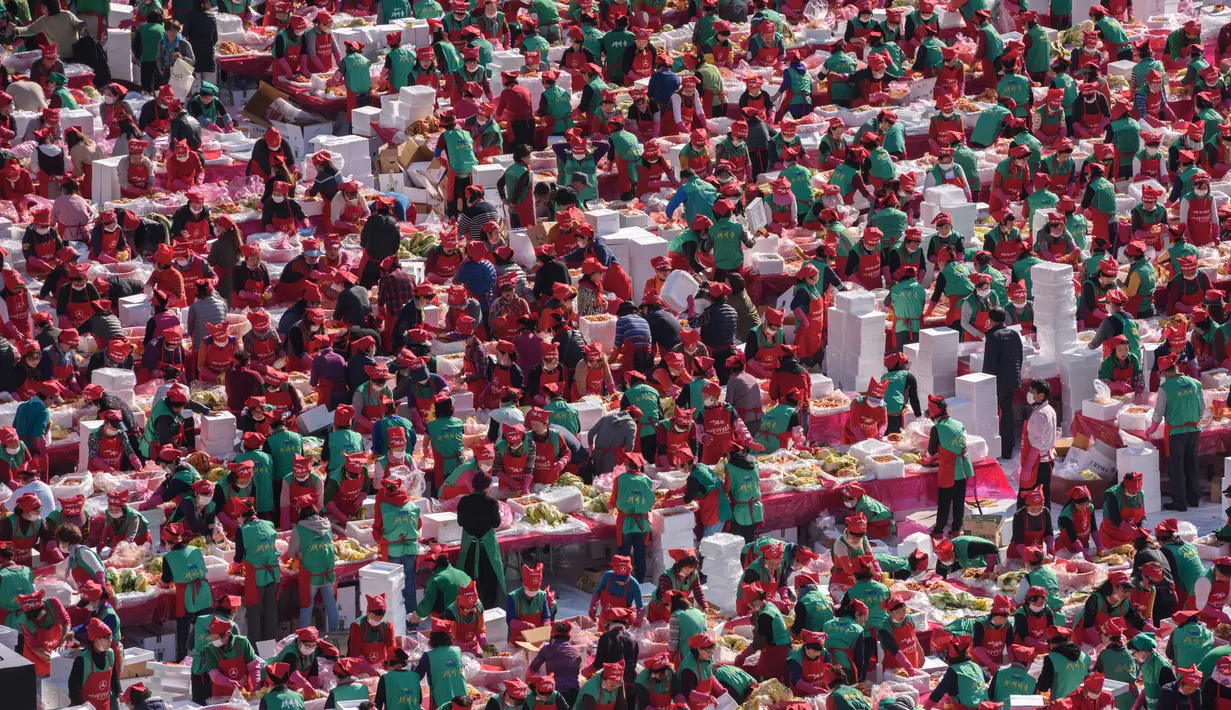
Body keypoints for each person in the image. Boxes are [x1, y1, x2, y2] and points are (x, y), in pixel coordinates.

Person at [981, 308, 1023, 460]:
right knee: (1008, 414)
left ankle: (990, 449)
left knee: (990, 416)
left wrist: (985, 382)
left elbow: (989, 363)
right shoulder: (1014, 334)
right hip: (1013, 379)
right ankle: (1007, 450)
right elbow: (1020, 356)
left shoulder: (993, 336)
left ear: (990, 320)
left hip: (998, 382)